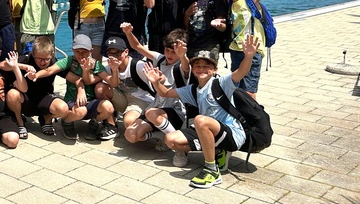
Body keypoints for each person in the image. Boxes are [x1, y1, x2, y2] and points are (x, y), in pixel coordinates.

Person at [144, 36, 259, 189]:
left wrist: (249, 56)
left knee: (200, 120)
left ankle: (212, 170)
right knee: (171, 140)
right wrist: (156, 82)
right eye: (197, 65)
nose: (201, 68)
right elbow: (165, 93)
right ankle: (216, 149)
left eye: (206, 66)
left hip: (232, 133)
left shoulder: (222, 83)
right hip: (208, 131)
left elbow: (241, 72)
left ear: (215, 69)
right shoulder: (193, 89)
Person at [217, 0, 296, 98]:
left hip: (252, 51)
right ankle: (241, 117)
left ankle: (254, 118)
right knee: (237, 88)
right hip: (236, 50)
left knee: (249, 91)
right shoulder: (229, 3)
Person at [120, 23, 192, 161]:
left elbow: (186, 65)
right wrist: (128, 33)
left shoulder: (182, 66)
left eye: (174, 51)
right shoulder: (160, 59)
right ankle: (162, 136)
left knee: (151, 113)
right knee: (130, 135)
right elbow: (137, 47)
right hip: (157, 107)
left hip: (176, 112)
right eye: (167, 50)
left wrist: (182, 56)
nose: (170, 54)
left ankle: (179, 148)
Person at [45, 34, 118, 141]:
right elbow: (51, 69)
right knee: (81, 111)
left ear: (91, 51)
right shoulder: (70, 61)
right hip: (73, 102)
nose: (81, 55)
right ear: (73, 50)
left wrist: (115, 70)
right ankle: (67, 121)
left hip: (91, 103)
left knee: (108, 107)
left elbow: (113, 82)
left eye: (84, 52)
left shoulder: (96, 65)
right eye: (77, 52)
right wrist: (35, 74)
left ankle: (95, 122)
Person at [3, 36, 70, 138]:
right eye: (39, 59)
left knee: (63, 109)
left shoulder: (53, 62)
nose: (42, 62)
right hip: (24, 99)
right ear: (33, 54)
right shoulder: (26, 59)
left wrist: (81, 85)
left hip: (44, 97)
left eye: (46, 59)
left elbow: (71, 76)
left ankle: (46, 119)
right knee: (12, 94)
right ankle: (19, 122)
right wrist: (21, 66)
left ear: (52, 54)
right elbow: (2, 65)